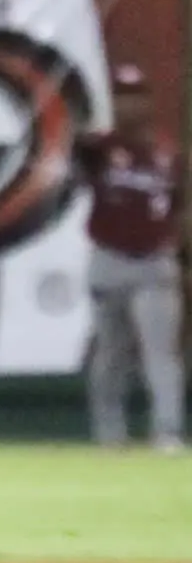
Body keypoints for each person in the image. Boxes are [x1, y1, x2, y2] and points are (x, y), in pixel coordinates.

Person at [75, 70, 186, 453]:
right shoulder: (101, 148)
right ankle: (110, 433)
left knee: (161, 351)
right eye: (121, 96)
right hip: (109, 258)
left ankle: (167, 431)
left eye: (136, 95)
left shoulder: (166, 152)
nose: (129, 104)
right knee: (111, 352)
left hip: (154, 261)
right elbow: (74, 147)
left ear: (149, 102)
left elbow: (178, 206)